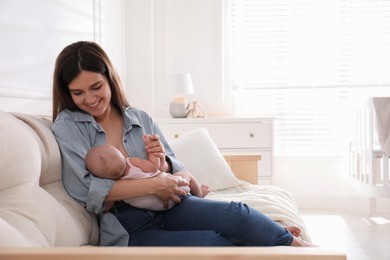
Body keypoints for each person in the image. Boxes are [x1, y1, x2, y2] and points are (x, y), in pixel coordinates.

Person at [51, 40, 313, 247]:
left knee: (238, 214)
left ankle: (287, 241)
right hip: (129, 226)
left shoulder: (139, 118)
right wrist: (154, 184)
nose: (90, 98)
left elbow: (176, 167)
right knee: (212, 244)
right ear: (68, 92)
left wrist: (162, 162)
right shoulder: (68, 125)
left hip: (173, 205)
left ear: (109, 78)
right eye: (78, 92)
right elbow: (84, 189)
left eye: (96, 86)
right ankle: (264, 237)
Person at [84, 140, 209, 211]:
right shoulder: (132, 162)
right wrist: (153, 156)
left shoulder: (117, 186)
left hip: (156, 207)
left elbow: (107, 205)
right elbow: (153, 167)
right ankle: (199, 194)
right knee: (185, 174)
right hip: (176, 189)